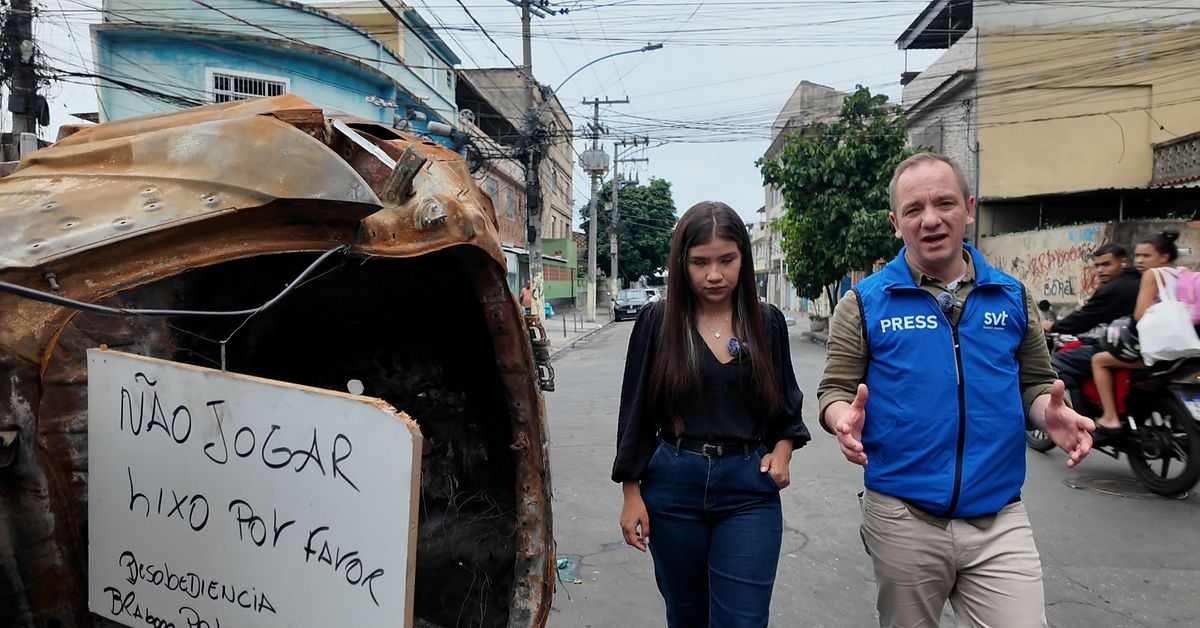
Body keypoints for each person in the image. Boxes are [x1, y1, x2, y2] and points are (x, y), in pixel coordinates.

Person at [818, 152, 1093, 628]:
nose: (930, 219)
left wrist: (1049, 415)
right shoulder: (862, 302)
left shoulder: (1012, 296)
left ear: (968, 208)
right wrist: (841, 418)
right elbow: (835, 389)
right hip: (903, 517)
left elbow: (1032, 383)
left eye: (944, 203)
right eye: (913, 210)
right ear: (895, 223)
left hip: (999, 516)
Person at [613, 201, 810, 628]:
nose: (714, 274)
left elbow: (785, 407)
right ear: (682, 263)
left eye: (726, 260)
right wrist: (631, 494)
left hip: (747, 492)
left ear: (744, 258)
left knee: (743, 620)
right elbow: (636, 412)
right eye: (700, 262)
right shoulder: (658, 321)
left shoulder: (768, 323)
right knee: (686, 616)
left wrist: (783, 451)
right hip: (672, 489)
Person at [1090, 231, 1181, 435]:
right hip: (1180, 351)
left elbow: (1140, 315)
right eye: (1137, 255)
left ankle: (1110, 417)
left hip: (1155, 351)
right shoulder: (1182, 273)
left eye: (1146, 256)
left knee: (1098, 360)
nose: (1139, 260)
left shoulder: (1152, 275)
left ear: (1164, 257)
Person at [1044, 243, 1140, 405]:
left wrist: (1053, 326)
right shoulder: (1139, 278)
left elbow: (1083, 319)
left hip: (1123, 346)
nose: (1101, 270)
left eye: (1107, 264)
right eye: (1097, 265)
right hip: (1138, 344)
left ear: (1122, 262)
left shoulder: (1114, 288)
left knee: (1055, 362)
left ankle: (1076, 416)